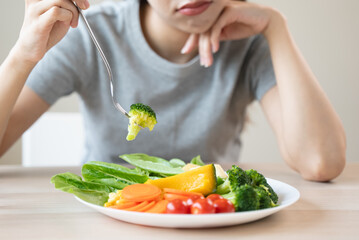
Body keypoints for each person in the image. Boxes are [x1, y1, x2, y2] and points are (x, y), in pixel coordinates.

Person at [0, 0, 346, 181]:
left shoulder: (250, 43)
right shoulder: (93, 36)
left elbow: (320, 163)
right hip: (106, 221)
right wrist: (21, 57)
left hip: (211, 218)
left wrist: (276, 26)